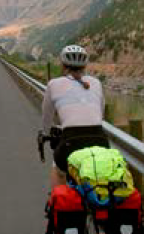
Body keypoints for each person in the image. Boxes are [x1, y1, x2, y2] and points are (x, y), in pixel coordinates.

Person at [41, 45, 109, 189]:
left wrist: (45, 133)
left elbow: (47, 116)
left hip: (70, 142)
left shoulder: (53, 84)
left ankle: (56, 202)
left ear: (63, 65)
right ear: (85, 65)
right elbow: (101, 114)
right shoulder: (96, 83)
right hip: (100, 140)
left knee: (58, 169)